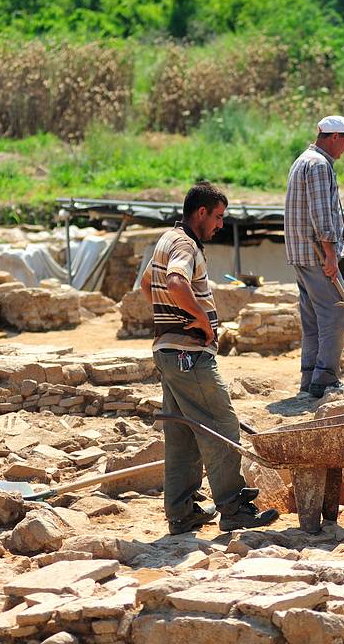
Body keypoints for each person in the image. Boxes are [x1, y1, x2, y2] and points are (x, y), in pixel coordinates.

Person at [141, 182, 279, 535]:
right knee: (221, 424)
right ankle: (233, 508)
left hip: (168, 351)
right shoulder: (185, 245)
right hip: (189, 354)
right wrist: (200, 319)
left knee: (185, 434)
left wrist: (169, 316)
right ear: (200, 212)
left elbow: (147, 284)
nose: (220, 224)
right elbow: (174, 282)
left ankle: (182, 511)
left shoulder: (166, 239)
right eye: (217, 217)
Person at [283, 115, 344, 398]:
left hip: (301, 254)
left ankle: (310, 379)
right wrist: (330, 254)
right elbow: (321, 214)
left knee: (314, 319)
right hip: (317, 254)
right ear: (335, 137)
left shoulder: (303, 160)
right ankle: (325, 378)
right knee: (338, 312)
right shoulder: (318, 164)